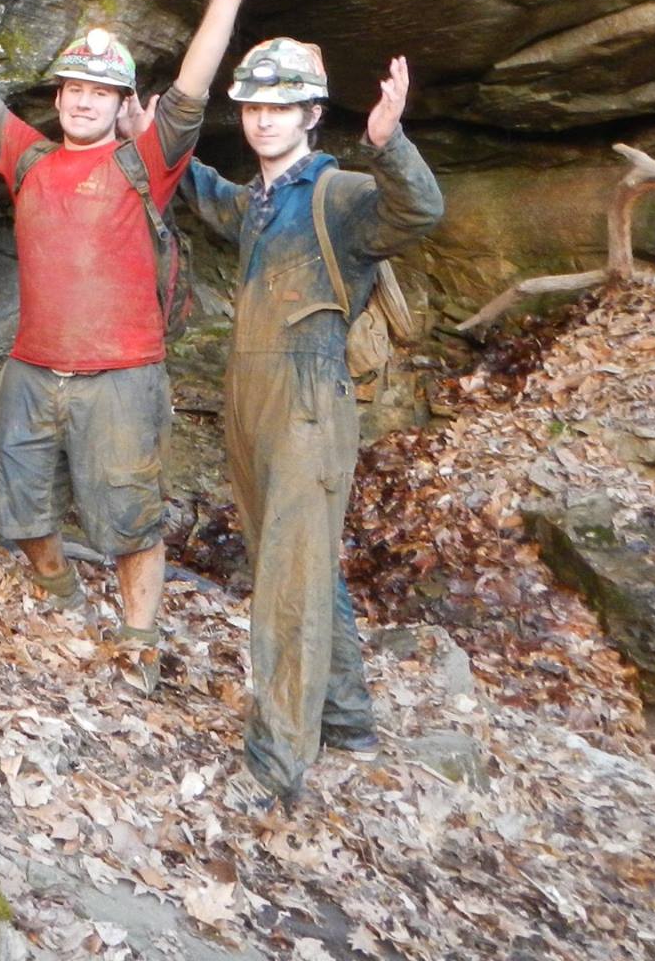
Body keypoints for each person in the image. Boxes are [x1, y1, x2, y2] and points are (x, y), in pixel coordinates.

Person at [0, 0, 275, 690]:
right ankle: (58, 593)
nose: (83, 101)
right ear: (58, 98)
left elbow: (190, 92)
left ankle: (138, 642)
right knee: (21, 510)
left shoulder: (142, 162)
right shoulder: (27, 158)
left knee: (129, 520)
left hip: (122, 376)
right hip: (31, 369)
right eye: (72, 90)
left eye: (98, 92)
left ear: (122, 103)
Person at [179, 41, 442, 808]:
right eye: (254, 107)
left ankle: (277, 763)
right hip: (251, 398)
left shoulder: (339, 195)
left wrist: (390, 145)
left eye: (280, 108)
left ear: (312, 116)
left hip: (306, 402)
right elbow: (201, 190)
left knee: (287, 586)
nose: (263, 120)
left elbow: (418, 211)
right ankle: (348, 718)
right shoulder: (258, 200)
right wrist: (146, 131)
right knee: (302, 562)